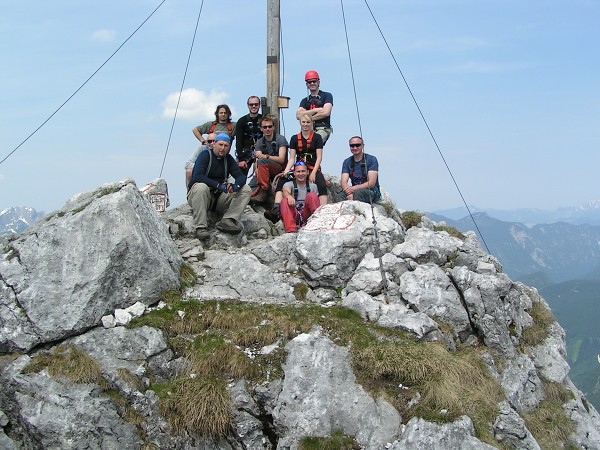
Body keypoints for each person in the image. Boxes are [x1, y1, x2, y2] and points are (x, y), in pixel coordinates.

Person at [264, 113, 327, 223]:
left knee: (321, 184)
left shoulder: (317, 138)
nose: (306, 124)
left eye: (308, 122)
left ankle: (324, 211)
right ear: (300, 123)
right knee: (282, 181)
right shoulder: (294, 138)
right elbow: (292, 158)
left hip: (312, 167)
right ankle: (277, 209)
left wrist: (313, 173)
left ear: (312, 123)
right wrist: (286, 171)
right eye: (303, 122)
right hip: (299, 167)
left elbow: (319, 157)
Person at [187, 133, 251, 240]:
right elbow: (198, 176)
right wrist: (218, 185)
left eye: (226, 146)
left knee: (246, 189)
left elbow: (241, 177)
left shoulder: (228, 159)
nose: (222, 148)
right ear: (214, 144)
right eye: (220, 144)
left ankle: (228, 219)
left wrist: (235, 187)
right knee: (201, 187)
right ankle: (201, 227)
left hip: (218, 198)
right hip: (201, 196)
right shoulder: (205, 155)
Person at [250, 115, 288, 204]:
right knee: (250, 187)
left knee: (262, 161)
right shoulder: (259, 142)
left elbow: (281, 159)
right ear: (261, 129)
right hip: (263, 169)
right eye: (265, 127)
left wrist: (266, 156)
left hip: (279, 169)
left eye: (270, 126)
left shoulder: (280, 139)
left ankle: (264, 191)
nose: (267, 129)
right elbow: (257, 160)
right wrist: (256, 169)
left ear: (273, 127)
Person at [280, 161, 319, 233]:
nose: (301, 174)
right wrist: (289, 196)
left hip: (307, 215)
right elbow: (285, 191)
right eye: (298, 171)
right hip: (295, 213)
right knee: (284, 201)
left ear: (307, 172)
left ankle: (317, 224)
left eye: (303, 171)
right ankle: (291, 230)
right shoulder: (289, 184)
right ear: (294, 173)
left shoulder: (313, 186)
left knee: (312, 196)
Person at [296, 70, 333, 144]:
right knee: (299, 144)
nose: (312, 83)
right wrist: (316, 110)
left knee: (314, 142)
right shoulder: (304, 100)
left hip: (323, 128)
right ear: (307, 84)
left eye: (314, 81)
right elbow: (298, 115)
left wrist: (307, 117)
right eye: (309, 82)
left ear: (318, 82)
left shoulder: (326, 95)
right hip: (307, 128)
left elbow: (326, 112)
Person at [340, 136, 381, 203]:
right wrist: (348, 193)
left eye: (357, 145)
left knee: (358, 193)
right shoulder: (347, 162)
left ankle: (357, 213)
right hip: (354, 192)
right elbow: (343, 182)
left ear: (363, 146)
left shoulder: (371, 159)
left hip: (371, 192)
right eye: (352, 146)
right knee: (341, 195)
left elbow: (371, 183)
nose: (355, 148)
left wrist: (353, 189)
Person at [235, 96, 263, 175]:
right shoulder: (242, 121)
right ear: (248, 106)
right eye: (251, 104)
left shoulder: (263, 119)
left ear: (259, 105)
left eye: (256, 104)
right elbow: (239, 141)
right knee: (240, 176)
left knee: (262, 176)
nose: (254, 106)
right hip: (245, 153)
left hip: (261, 152)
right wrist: (241, 159)